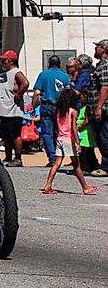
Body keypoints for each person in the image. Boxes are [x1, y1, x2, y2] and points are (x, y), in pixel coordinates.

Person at [42, 89, 98, 195]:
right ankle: (85, 187)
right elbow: (74, 128)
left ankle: (48, 184)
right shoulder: (73, 111)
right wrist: (78, 142)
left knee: (57, 163)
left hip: (60, 138)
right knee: (76, 165)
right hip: (69, 139)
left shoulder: (59, 111)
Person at [32, 55, 71, 166]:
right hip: (61, 107)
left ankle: (52, 158)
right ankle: (59, 157)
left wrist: (33, 107)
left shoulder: (43, 75)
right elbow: (68, 91)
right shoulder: (65, 76)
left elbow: (37, 92)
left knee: (47, 133)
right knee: (58, 132)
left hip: (47, 106)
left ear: (49, 64)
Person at [0, 50, 29, 167]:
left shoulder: (16, 72)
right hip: (4, 111)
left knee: (15, 135)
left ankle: (18, 158)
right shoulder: (5, 74)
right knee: (6, 136)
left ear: (11, 61)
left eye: (4, 60)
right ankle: (8, 157)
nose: (3, 62)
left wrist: (18, 94)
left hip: (13, 111)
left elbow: (25, 83)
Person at [89, 39, 108, 177]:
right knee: (100, 138)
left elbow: (105, 87)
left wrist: (99, 107)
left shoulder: (105, 65)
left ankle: (106, 166)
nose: (96, 49)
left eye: (97, 47)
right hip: (99, 108)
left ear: (103, 49)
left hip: (104, 109)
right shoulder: (100, 65)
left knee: (104, 137)